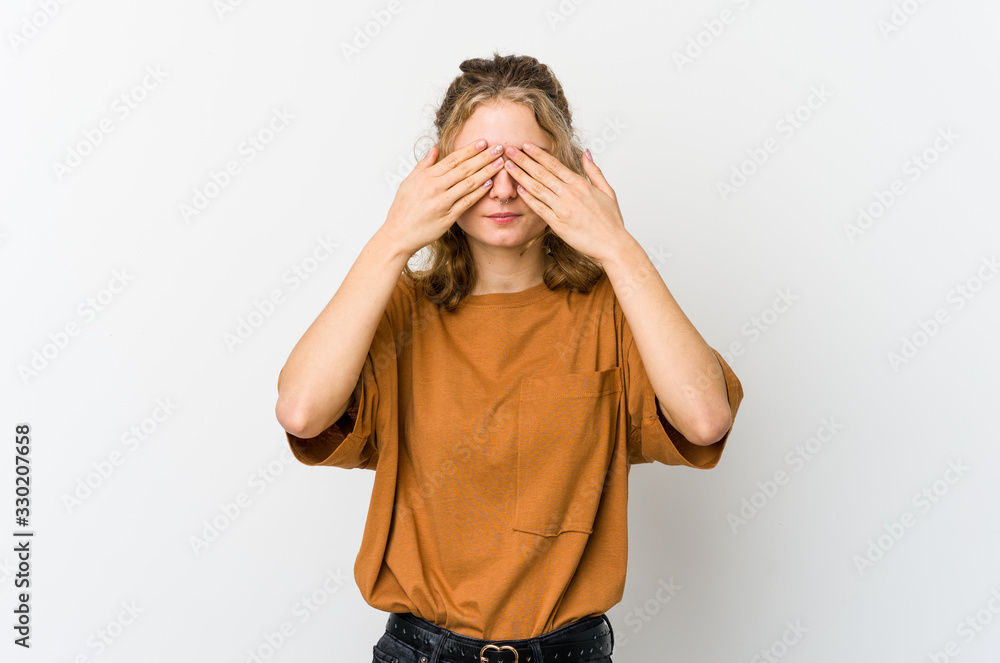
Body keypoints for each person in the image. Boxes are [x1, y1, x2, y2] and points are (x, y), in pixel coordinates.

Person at [275, 52, 744, 663]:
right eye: (476, 166)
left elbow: (705, 418)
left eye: (526, 166)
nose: (500, 189)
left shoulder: (615, 312)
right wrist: (392, 238)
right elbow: (302, 412)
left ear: (569, 173)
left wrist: (617, 247)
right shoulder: (398, 313)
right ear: (436, 172)